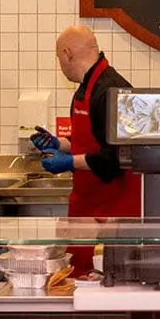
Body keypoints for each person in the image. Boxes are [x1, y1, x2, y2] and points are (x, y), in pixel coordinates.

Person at [31, 24, 142, 219]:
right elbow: (92, 141)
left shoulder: (111, 90)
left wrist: (69, 162)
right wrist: (59, 143)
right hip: (88, 205)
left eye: (59, 58)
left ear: (67, 54)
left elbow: (117, 156)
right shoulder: (85, 88)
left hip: (111, 209)